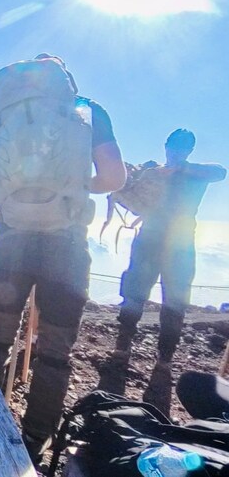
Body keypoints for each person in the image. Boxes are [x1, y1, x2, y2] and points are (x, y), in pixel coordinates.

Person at [0, 55, 126, 465]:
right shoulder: (87, 111)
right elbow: (114, 178)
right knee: (55, 353)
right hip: (65, 246)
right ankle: (31, 446)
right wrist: (76, 184)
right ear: (64, 79)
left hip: (10, 245)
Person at [103, 129, 226, 411]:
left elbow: (220, 171)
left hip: (177, 244)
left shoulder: (197, 173)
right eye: (174, 147)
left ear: (189, 150)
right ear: (167, 146)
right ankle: (123, 350)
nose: (177, 151)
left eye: (182, 148)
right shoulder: (154, 172)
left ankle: (164, 362)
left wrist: (178, 168)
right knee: (135, 296)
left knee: (173, 304)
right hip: (153, 239)